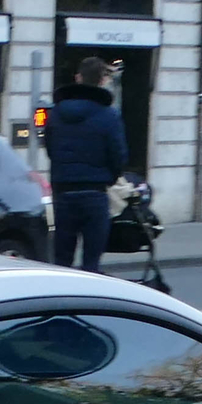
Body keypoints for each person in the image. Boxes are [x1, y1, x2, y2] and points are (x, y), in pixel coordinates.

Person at [43, 56, 129, 275]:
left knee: (62, 261)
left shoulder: (56, 113)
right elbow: (119, 155)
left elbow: (51, 148)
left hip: (63, 193)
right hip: (94, 193)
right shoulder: (109, 115)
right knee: (91, 263)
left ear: (78, 78)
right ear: (102, 80)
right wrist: (108, 179)